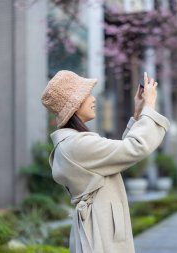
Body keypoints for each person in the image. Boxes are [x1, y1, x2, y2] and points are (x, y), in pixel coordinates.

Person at [41, 70, 170, 253]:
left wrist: (139, 114)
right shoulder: (77, 144)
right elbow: (134, 148)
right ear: (75, 105)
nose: (93, 99)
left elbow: (118, 156)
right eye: (87, 95)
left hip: (98, 224)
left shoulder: (72, 143)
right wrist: (148, 107)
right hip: (100, 228)